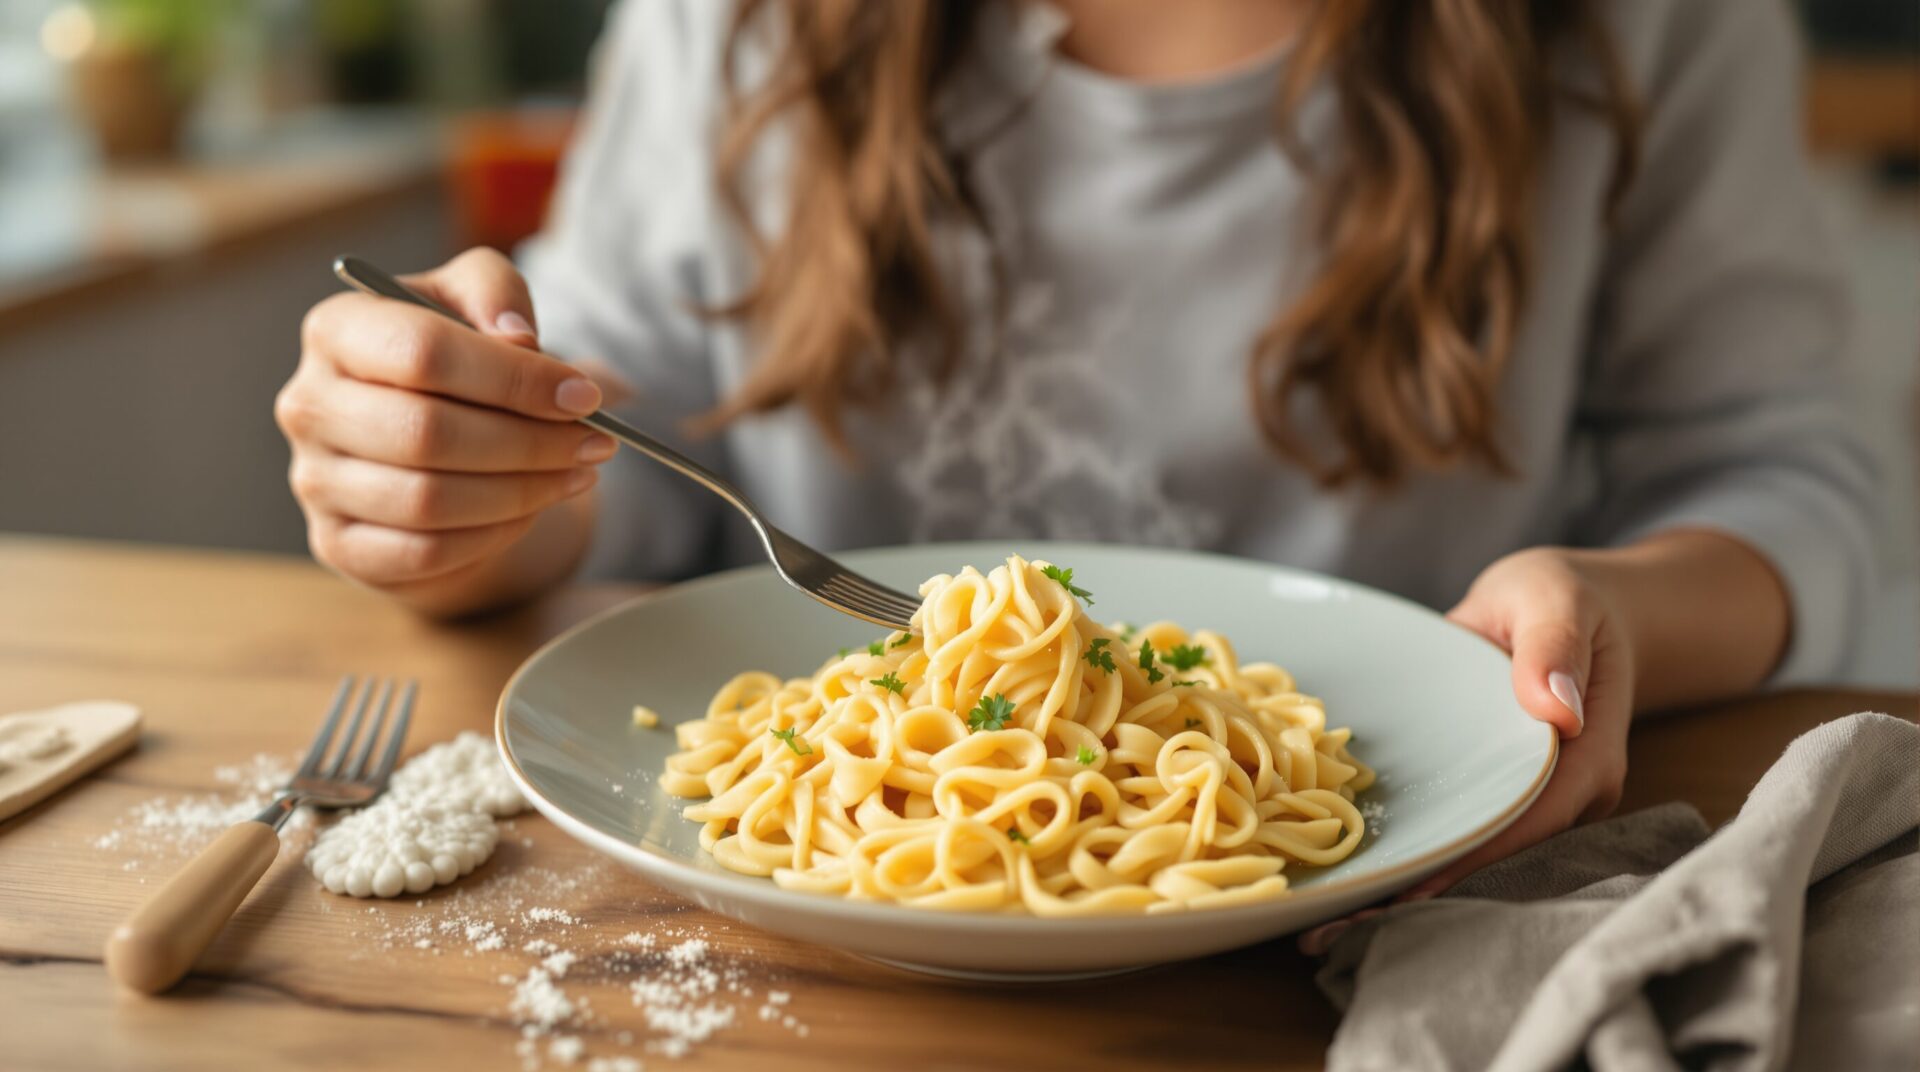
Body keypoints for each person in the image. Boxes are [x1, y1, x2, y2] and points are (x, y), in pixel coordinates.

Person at [273, 0, 1877, 892]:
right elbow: (620, 449)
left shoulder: (1651, 30)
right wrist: (465, 472)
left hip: (1388, 906)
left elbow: (1786, 475)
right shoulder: (730, 27)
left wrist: (1612, 607)